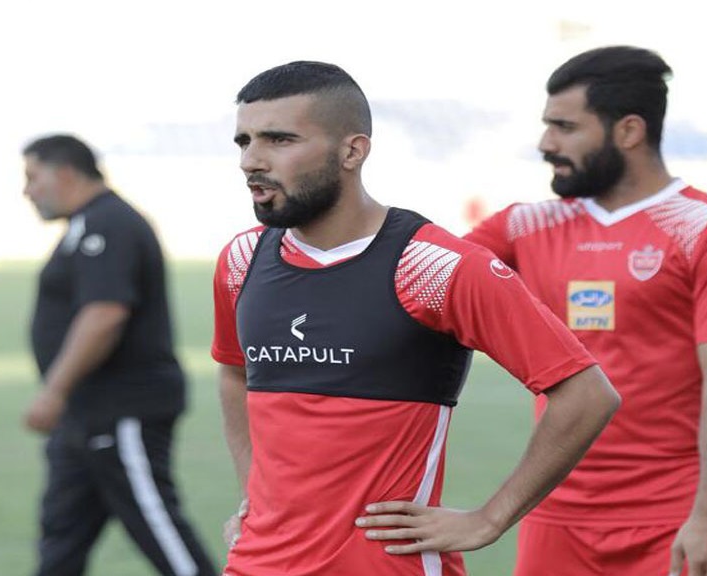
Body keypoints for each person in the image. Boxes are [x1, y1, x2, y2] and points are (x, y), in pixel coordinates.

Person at [210, 61, 620, 576]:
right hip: (255, 564)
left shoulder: (434, 267)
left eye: (279, 139)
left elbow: (586, 394)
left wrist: (490, 519)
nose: (251, 160)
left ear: (352, 151)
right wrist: (255, 492)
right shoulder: (241, 261)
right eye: (244, 141)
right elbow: (235, 373)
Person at [464, 46, 707, 576]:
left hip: (676, 516)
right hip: (553, 516)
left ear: (629, 131)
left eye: (564, 127)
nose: (546, 143)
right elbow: (421, 277)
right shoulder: (523, 226)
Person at [21, 134, 217, 576]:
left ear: (64, 173)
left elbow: (105, 314)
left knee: (159, 530)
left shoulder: (109, 224)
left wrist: (54, 391)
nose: (27, 191)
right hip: (84, 415)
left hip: (122, 411)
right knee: (61, 540)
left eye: (33, 177)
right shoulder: (84, 226)